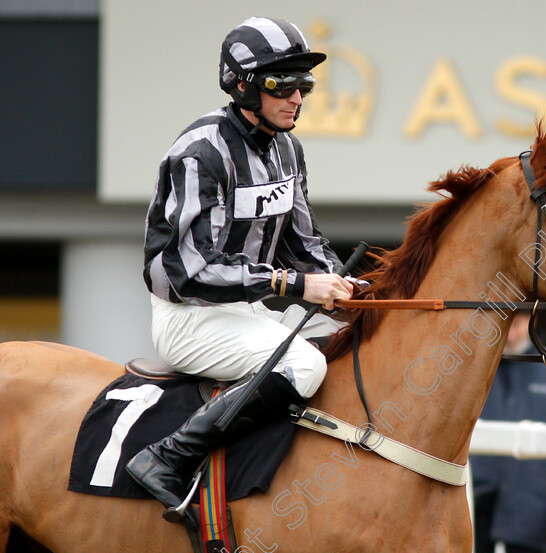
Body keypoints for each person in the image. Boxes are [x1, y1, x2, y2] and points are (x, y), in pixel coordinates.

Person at [126, 17, 354, 519]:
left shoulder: (288, 149)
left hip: (250, 310)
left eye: (305, 85)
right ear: (243, 85)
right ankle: (169, 456)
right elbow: (190, 269)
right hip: (188, 317)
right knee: (305, 364)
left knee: (356, 335)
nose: (297, 97)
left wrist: (348, 286)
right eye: (283, 84)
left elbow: (303, 242)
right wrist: (295, 284)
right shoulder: (199, 151)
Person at [471, 314, 546, 553]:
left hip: (532, 501)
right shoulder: (474, 364)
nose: (510, 332)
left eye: (516, 322)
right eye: (506, 322)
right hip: (476, 495)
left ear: (531, 321)